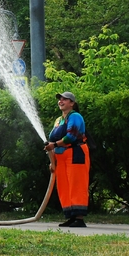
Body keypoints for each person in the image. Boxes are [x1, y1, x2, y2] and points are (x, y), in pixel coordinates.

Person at [44, 91, 90, 228]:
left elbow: (71, 136)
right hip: (61, 156)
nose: (61, 101)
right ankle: (70, 216)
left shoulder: (75, 116)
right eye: (60, 99)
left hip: (75, 153)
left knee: (77, 184)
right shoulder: (59, 120)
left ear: (72, 103)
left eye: (65, 99)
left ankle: (79, 218)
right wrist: (52, 161)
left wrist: (55, 145)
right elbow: (52, 139)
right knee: (64, 186)